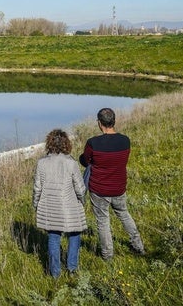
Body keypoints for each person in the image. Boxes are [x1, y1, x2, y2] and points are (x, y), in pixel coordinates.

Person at [79, 108, 145, 261]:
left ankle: (107, 255)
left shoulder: (93, 143)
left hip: (99, 189)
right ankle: (138, 246)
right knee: (124, 214)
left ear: (99, 123)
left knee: (103, 221)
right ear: (114, 121)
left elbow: (85, 161)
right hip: (119, 187)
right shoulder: (125, 140)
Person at [33, 129, 87, 278]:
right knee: (75, 233)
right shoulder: (71, 163)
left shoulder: (41, 163)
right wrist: (82, 201)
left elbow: (37, 187)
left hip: (49, 206)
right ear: (66, 144)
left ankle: (55, 273)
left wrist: (36, 204)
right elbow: (80, 188)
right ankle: (72, 268)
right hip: (70, 205)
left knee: (53, 237)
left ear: (49, 144)